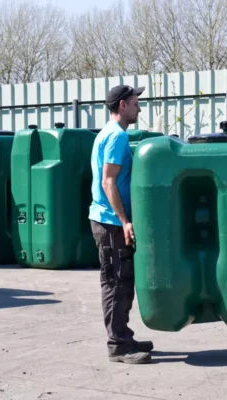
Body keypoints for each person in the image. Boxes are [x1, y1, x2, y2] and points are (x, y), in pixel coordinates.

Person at [89, 84, 153, 364]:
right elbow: (108, 182)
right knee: (116, 282)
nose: (139, 107)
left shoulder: (111, 134)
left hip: (109, 220)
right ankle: (118, 345)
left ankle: (123, 335)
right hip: (111, 222)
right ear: (123, 105)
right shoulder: (115, 137)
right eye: (136, 102)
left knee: (123, 280)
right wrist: (125, 221)